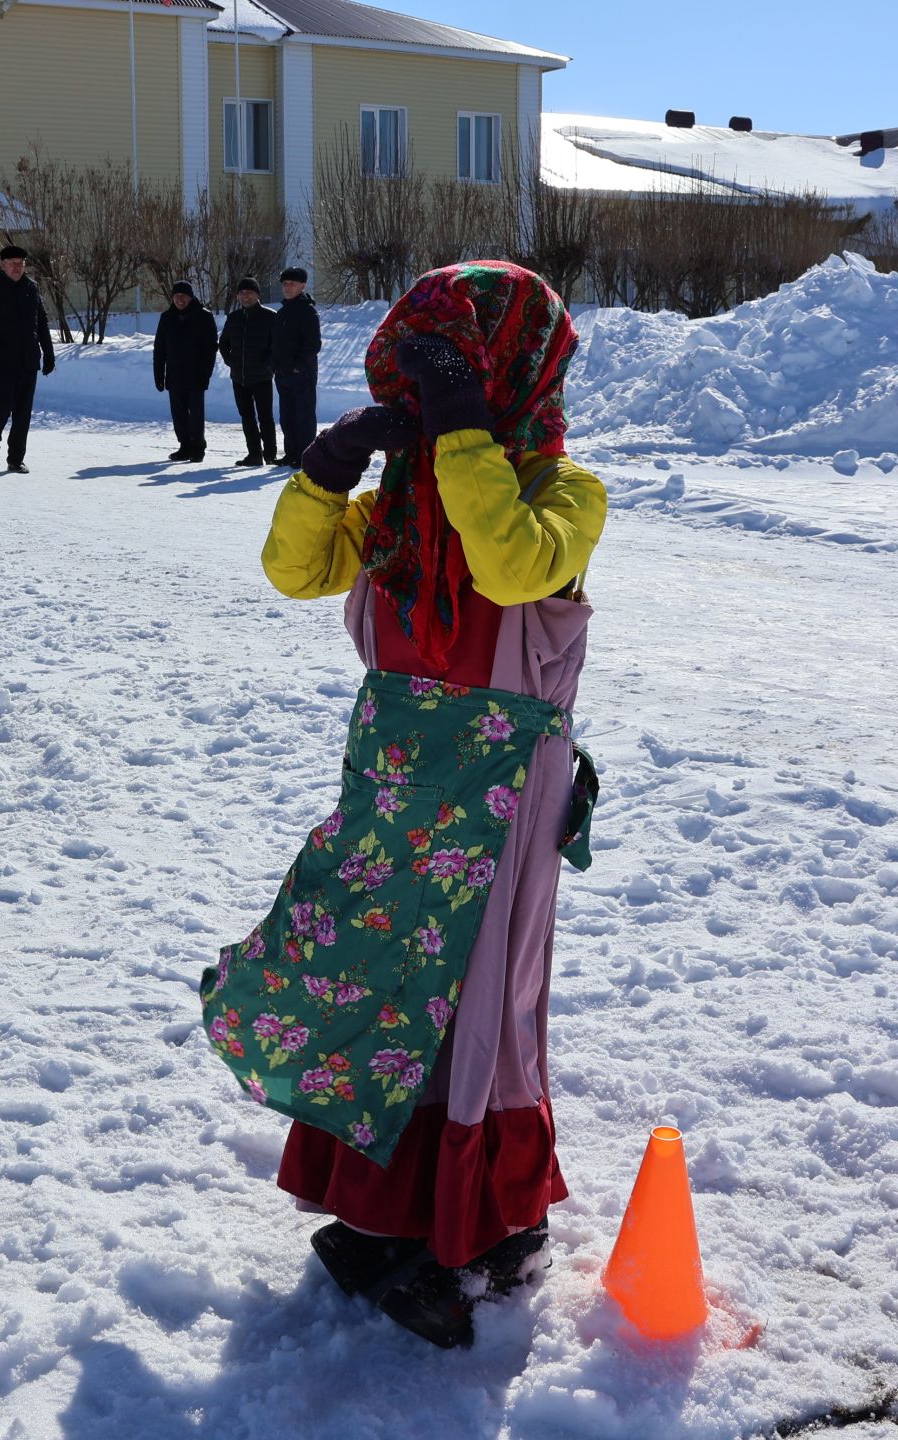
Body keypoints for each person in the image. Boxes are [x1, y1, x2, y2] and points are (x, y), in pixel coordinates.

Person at [200, 262, 608, 1349]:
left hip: (500, 807)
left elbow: (512, 566)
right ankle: (385, 1215)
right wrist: (327, 469)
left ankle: (484, 1232)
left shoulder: (566, 498)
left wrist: (467, 426)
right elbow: (294, 570)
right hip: (390, 792)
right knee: (370, 993)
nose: (433, 406)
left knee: (478, 1014)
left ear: (509, 372)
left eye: (458, 375)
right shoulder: (393, 516)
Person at [0, 244, 56, 474]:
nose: (17, 268)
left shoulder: (31, 288)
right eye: (12, 264)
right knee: (3, 406)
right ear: (2, 265)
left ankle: (15, 459)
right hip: (2, 362)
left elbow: (41, 323)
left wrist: (48, 354)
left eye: (21, 264)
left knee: (23, 411)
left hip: (28, 360)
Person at [152, 280, 218, 462]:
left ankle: (198, 447)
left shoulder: (203, 316)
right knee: (178, 414)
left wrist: (206, 374)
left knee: (196, 414)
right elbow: (159, 348)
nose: (180, 300)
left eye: (183, 296)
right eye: (176, 296)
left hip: (196, 374)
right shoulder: (166, 318)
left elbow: (211, 348)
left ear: (190, 297)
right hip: (174, 374)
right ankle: (184, 446)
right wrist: (159, 374)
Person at [217, 276, 277, 467]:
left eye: (249, 293)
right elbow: (223, 344)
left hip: (261, 377)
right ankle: (254, 454)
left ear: (257, 295)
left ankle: (270, 455)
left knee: (265, 417)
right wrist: (231, 362)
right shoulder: (234, 318)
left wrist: (268, 365)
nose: (245, 296)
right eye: (242, 293)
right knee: (247, 417)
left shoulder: (270, 316)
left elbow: (276, 346)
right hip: (239, 378)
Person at [272, 265, 321, 469]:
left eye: (292, 283)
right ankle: (290, 453)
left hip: (302, 374)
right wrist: (275, 365)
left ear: (302, 285)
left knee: (304, 416)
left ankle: (304, 455)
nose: (287, 287)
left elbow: (313, 344)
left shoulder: (307, 312)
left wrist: (298, 367)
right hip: (282, 374)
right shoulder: (282, 312)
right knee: (287, 416)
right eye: (285, 283)